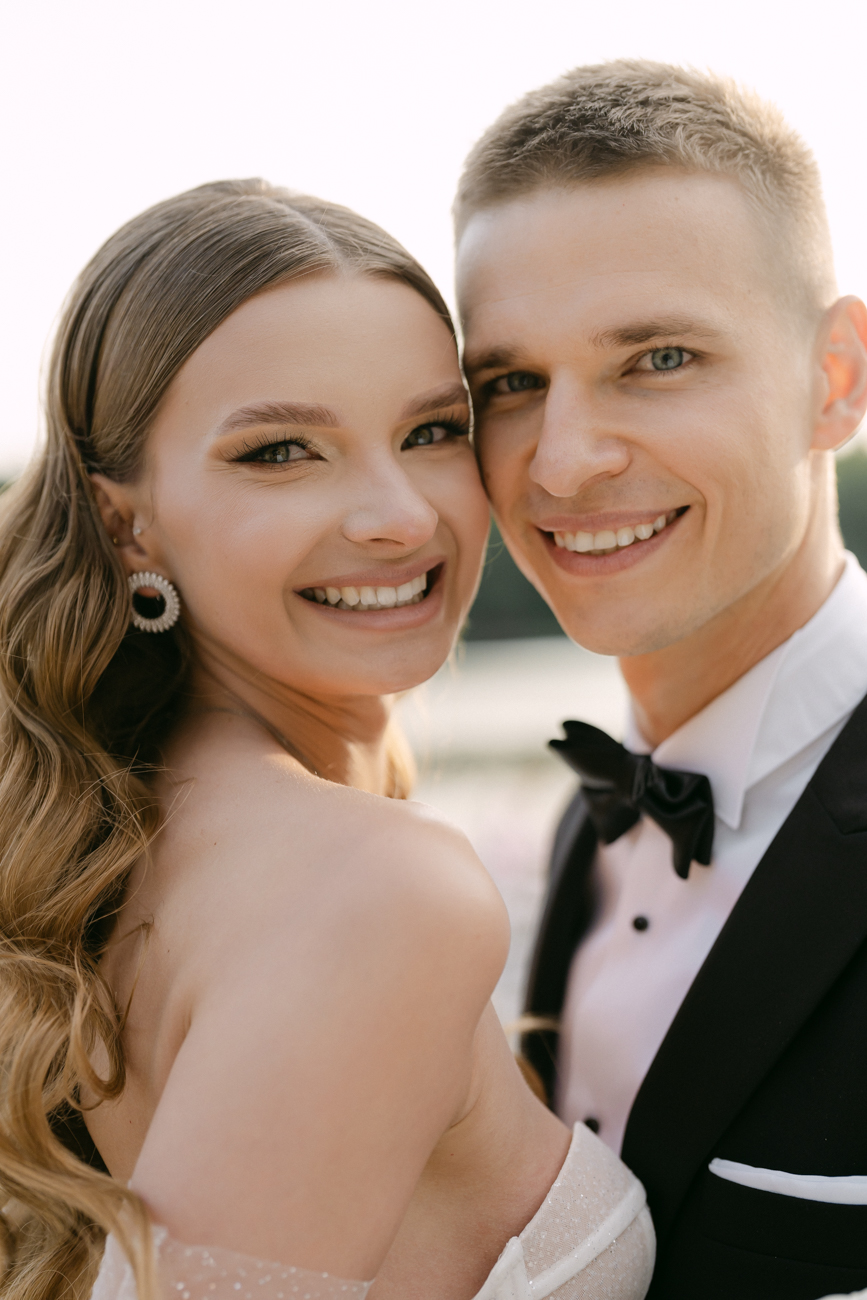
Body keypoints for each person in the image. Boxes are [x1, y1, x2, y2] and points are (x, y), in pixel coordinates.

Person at [0, 179, 655, 1300]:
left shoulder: (135, 837)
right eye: (280, 452)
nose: (399, 515)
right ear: (127, 523)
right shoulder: (375, 889)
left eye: (431, 431)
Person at [455, 61, 867, 1299]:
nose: (563, 463)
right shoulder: (588, 827)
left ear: (835, 379)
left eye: (659, 357)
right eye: (510, 384)